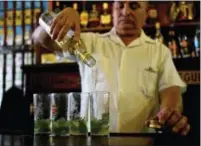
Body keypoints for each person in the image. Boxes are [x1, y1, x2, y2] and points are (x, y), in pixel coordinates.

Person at [33, 1, 190, 144]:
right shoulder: (90, 42)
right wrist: (63, 17)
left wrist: (169, 113)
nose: (126, 12)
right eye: (120, 6)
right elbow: (40, 38)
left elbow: (171, 90)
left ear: (147, 11)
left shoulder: (159, 51)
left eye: (134, 6)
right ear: (113, 11)